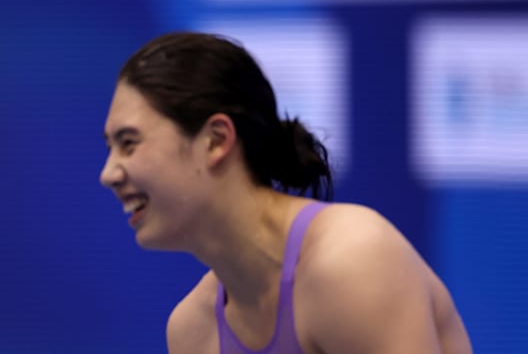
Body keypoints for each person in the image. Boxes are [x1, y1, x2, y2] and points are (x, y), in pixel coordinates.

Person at [100, 31, 470, 354]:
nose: (108, 174)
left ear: (216, 140)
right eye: (110, 147)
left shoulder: (352, 261)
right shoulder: (193, 332)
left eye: (129, 143)